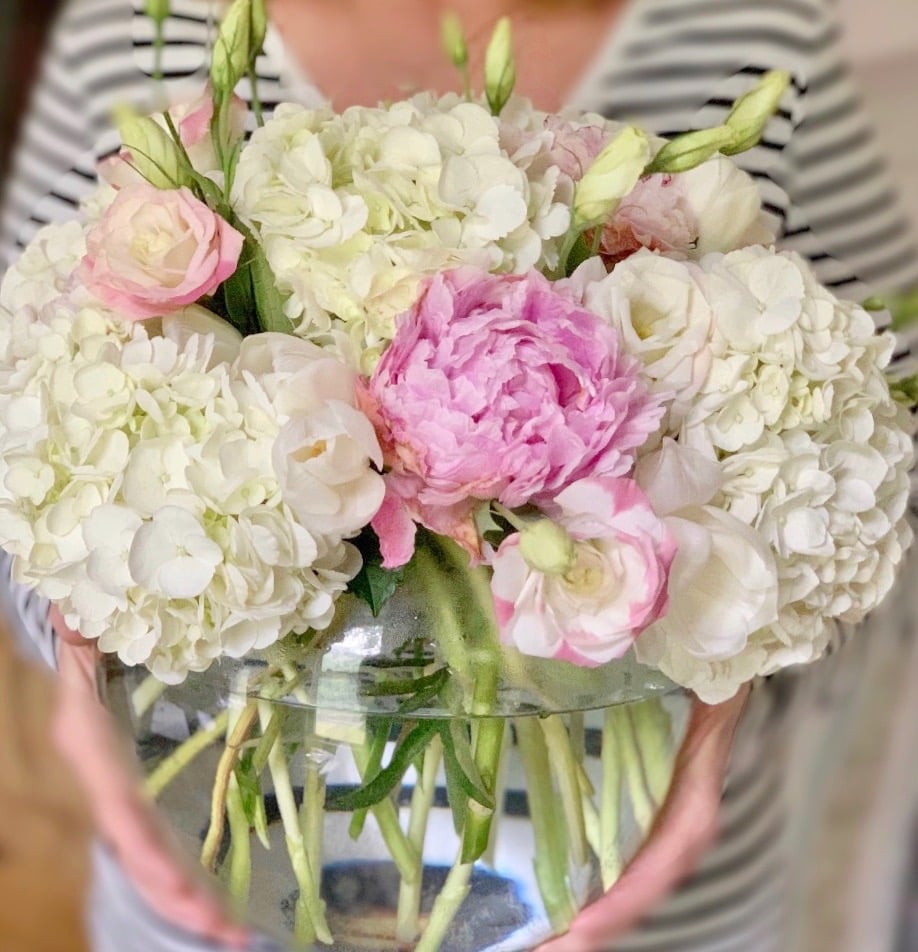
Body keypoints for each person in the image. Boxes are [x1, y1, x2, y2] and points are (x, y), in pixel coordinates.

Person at [1, 1, 916, 951]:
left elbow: (885, 443)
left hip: (649, 900)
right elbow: (19, 436)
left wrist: (736, 662)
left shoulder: (746, 27)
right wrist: (75, 663)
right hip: (219, 867)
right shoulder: (130, 27)